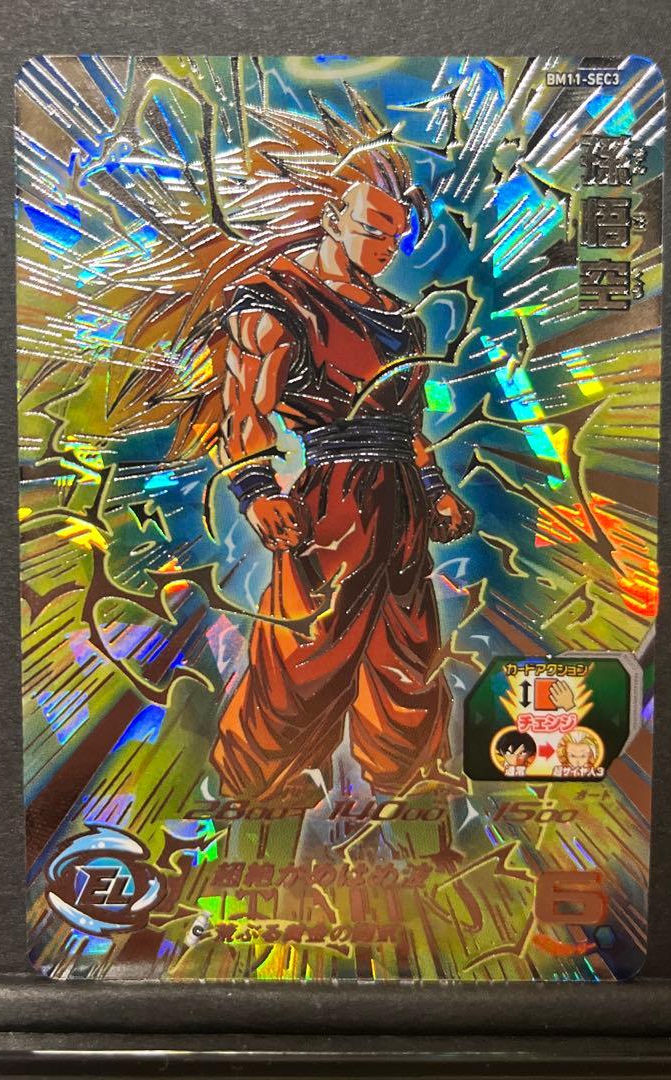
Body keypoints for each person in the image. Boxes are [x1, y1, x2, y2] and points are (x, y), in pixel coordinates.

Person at [112, 91, 473, 801]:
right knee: (308, 647)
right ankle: (259, 783)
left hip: (401, 502)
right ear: (331, 215)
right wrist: (255, 491)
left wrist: (435, 489)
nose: (386, 248)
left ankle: (409, 780)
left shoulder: (401, 319)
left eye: (396, 235)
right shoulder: (274, 302)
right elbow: (242, 410)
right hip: (331, 502)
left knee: (409, 649)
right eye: (373, 228)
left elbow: (409, 425)